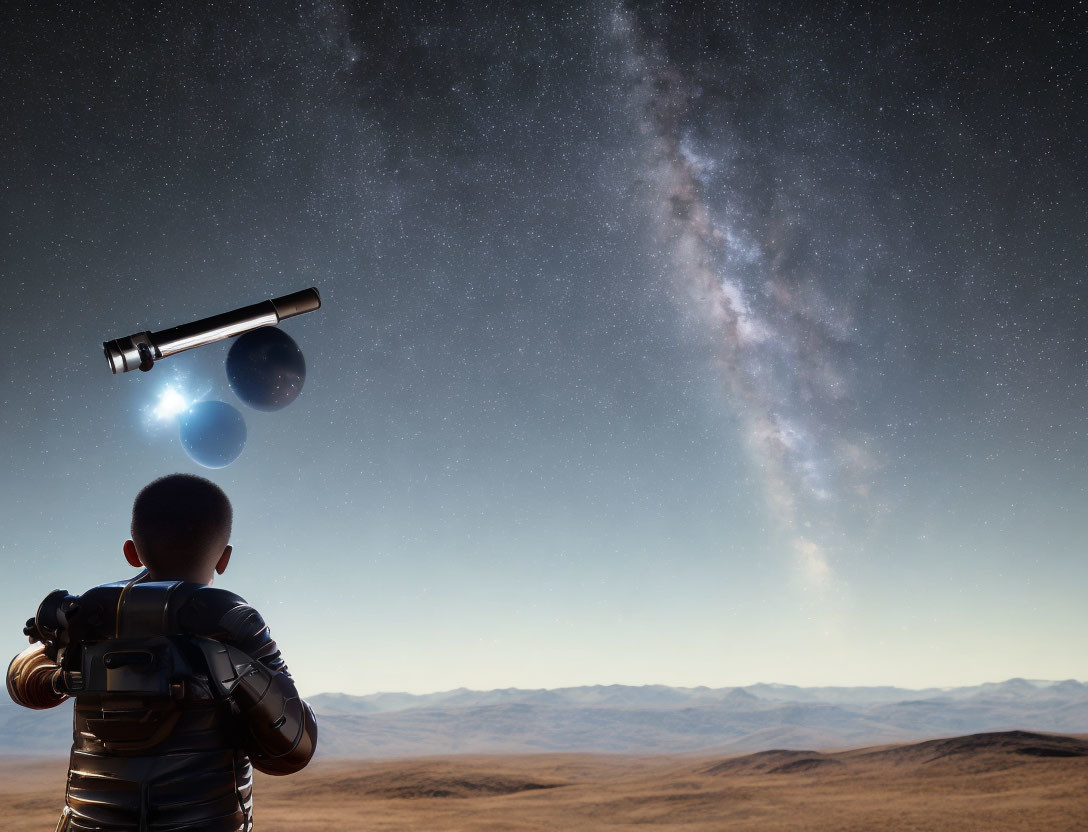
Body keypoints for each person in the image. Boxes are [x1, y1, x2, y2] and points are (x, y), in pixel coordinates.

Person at [6, 473, 317, 831]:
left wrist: (63, 652)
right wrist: (229, 666)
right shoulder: (230, 618)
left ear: (131, 552)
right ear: (224, 558)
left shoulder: (90, 615)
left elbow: (22, 684)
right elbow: (294, 748)